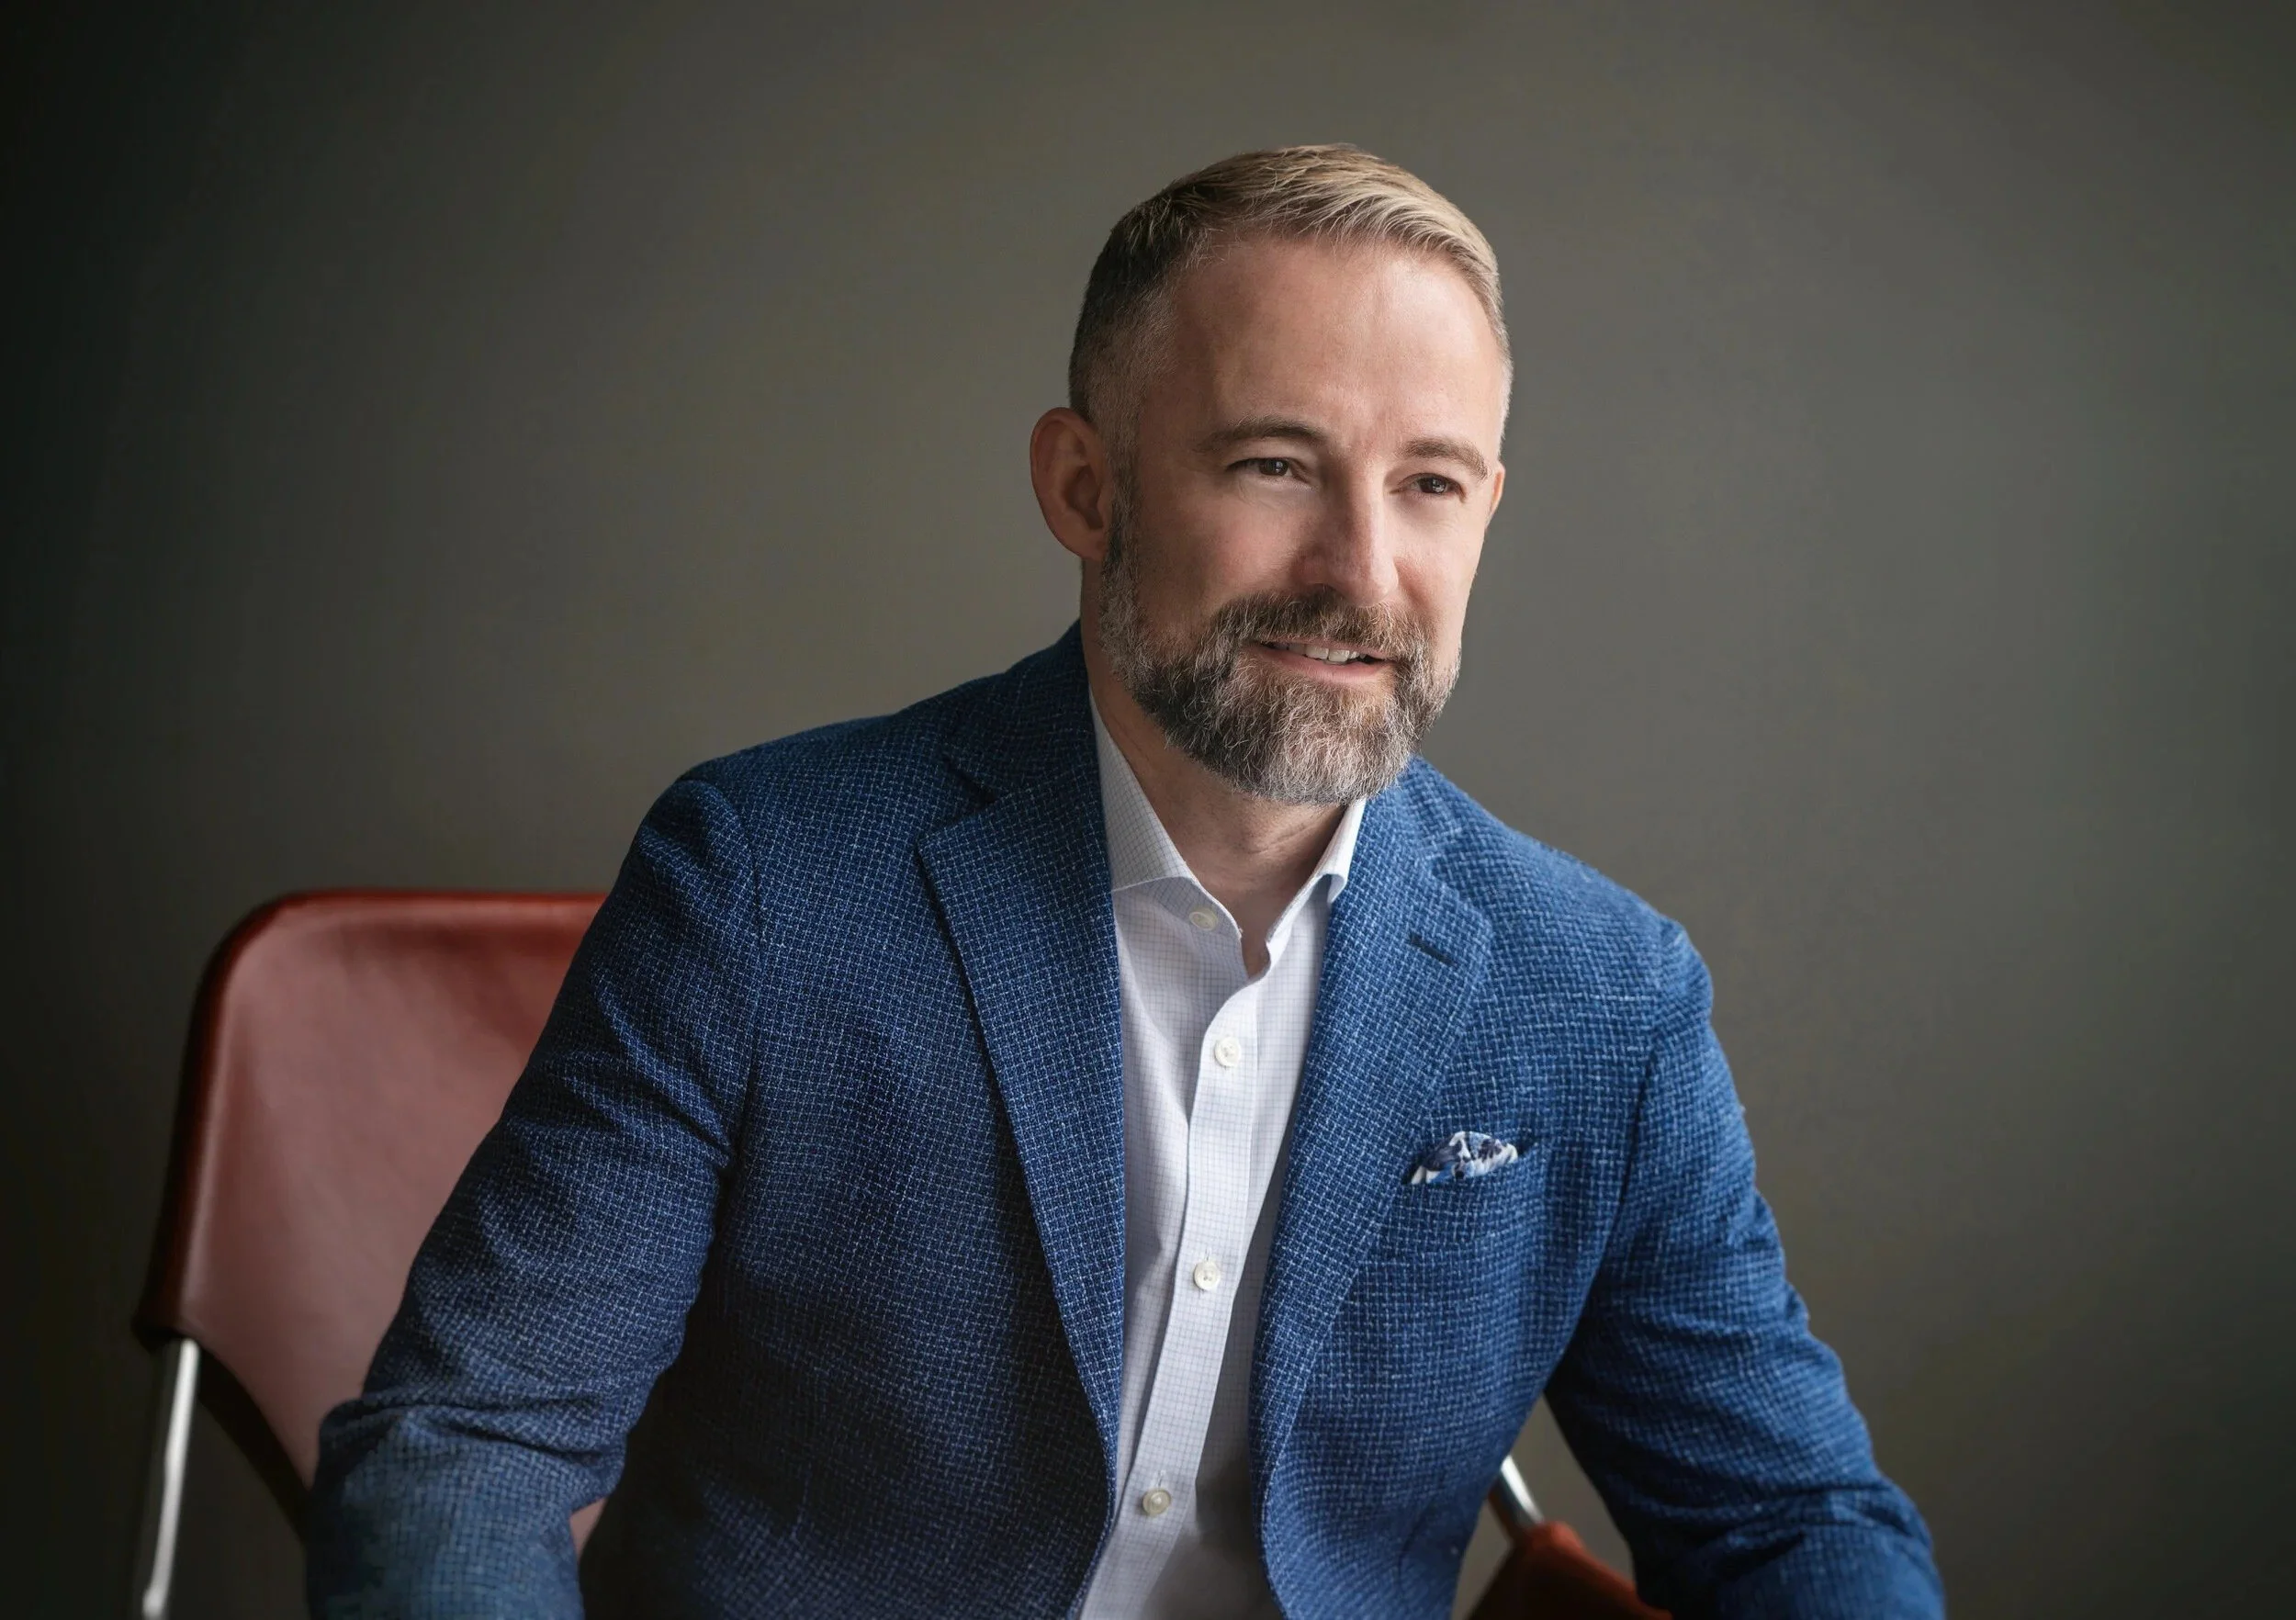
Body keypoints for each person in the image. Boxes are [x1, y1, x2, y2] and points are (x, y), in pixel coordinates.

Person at [307, 145, 1942, 1619]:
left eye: (1431, 483)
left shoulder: (1601, 992)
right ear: (1085, 489)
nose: (1363, 575)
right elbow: (468, 1444)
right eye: (1275, 467)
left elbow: (1789, 1521)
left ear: (1487, 510)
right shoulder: (766, 883)